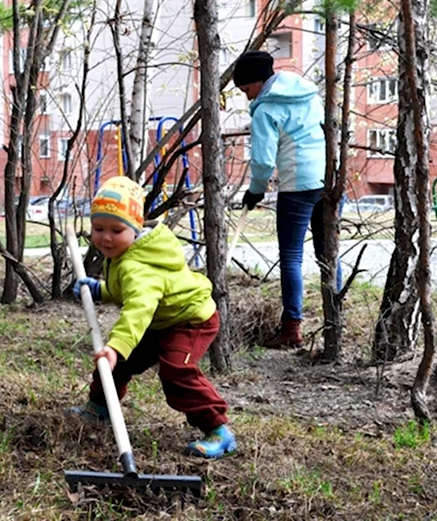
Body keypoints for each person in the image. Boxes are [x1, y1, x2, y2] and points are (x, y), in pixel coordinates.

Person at [70, 176, 236, 459]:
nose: (106, 237)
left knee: (175, 371)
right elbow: (128, 291)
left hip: (190, 320)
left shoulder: (138, 265)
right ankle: (99, 407)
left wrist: (116, 345)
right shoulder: (129, 252)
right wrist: (103, 291)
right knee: (119, 363)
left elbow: (139, 306)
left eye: (117, 229)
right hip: (161, 320)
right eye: (98, 228)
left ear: (135, 228)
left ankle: (218, 430)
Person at [233, 49, 336, 349]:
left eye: (247, 89)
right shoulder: (309, 95)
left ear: (258, 81)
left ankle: (292, 329)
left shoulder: (266, 110)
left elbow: (263, 161)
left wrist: (256, 190)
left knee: (291, 256)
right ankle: (334, 322)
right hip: (327, 179)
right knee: (328, 252)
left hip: (297, 185)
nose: (248, 98)